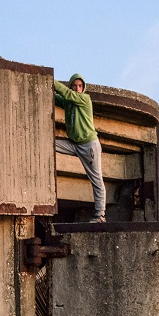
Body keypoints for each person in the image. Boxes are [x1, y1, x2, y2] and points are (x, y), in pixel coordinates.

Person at [53, 74, 105, 222]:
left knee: (96, 179)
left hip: (89, 145)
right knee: (50, 144)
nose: (77, 89)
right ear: (71, 86)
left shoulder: (84, 99)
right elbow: (56, 96)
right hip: (74, 145)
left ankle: (100, 215)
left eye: (80, 86)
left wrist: (49, 78)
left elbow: (65, 92)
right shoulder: (68, 102)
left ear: (83, 88)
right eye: (74, 86)